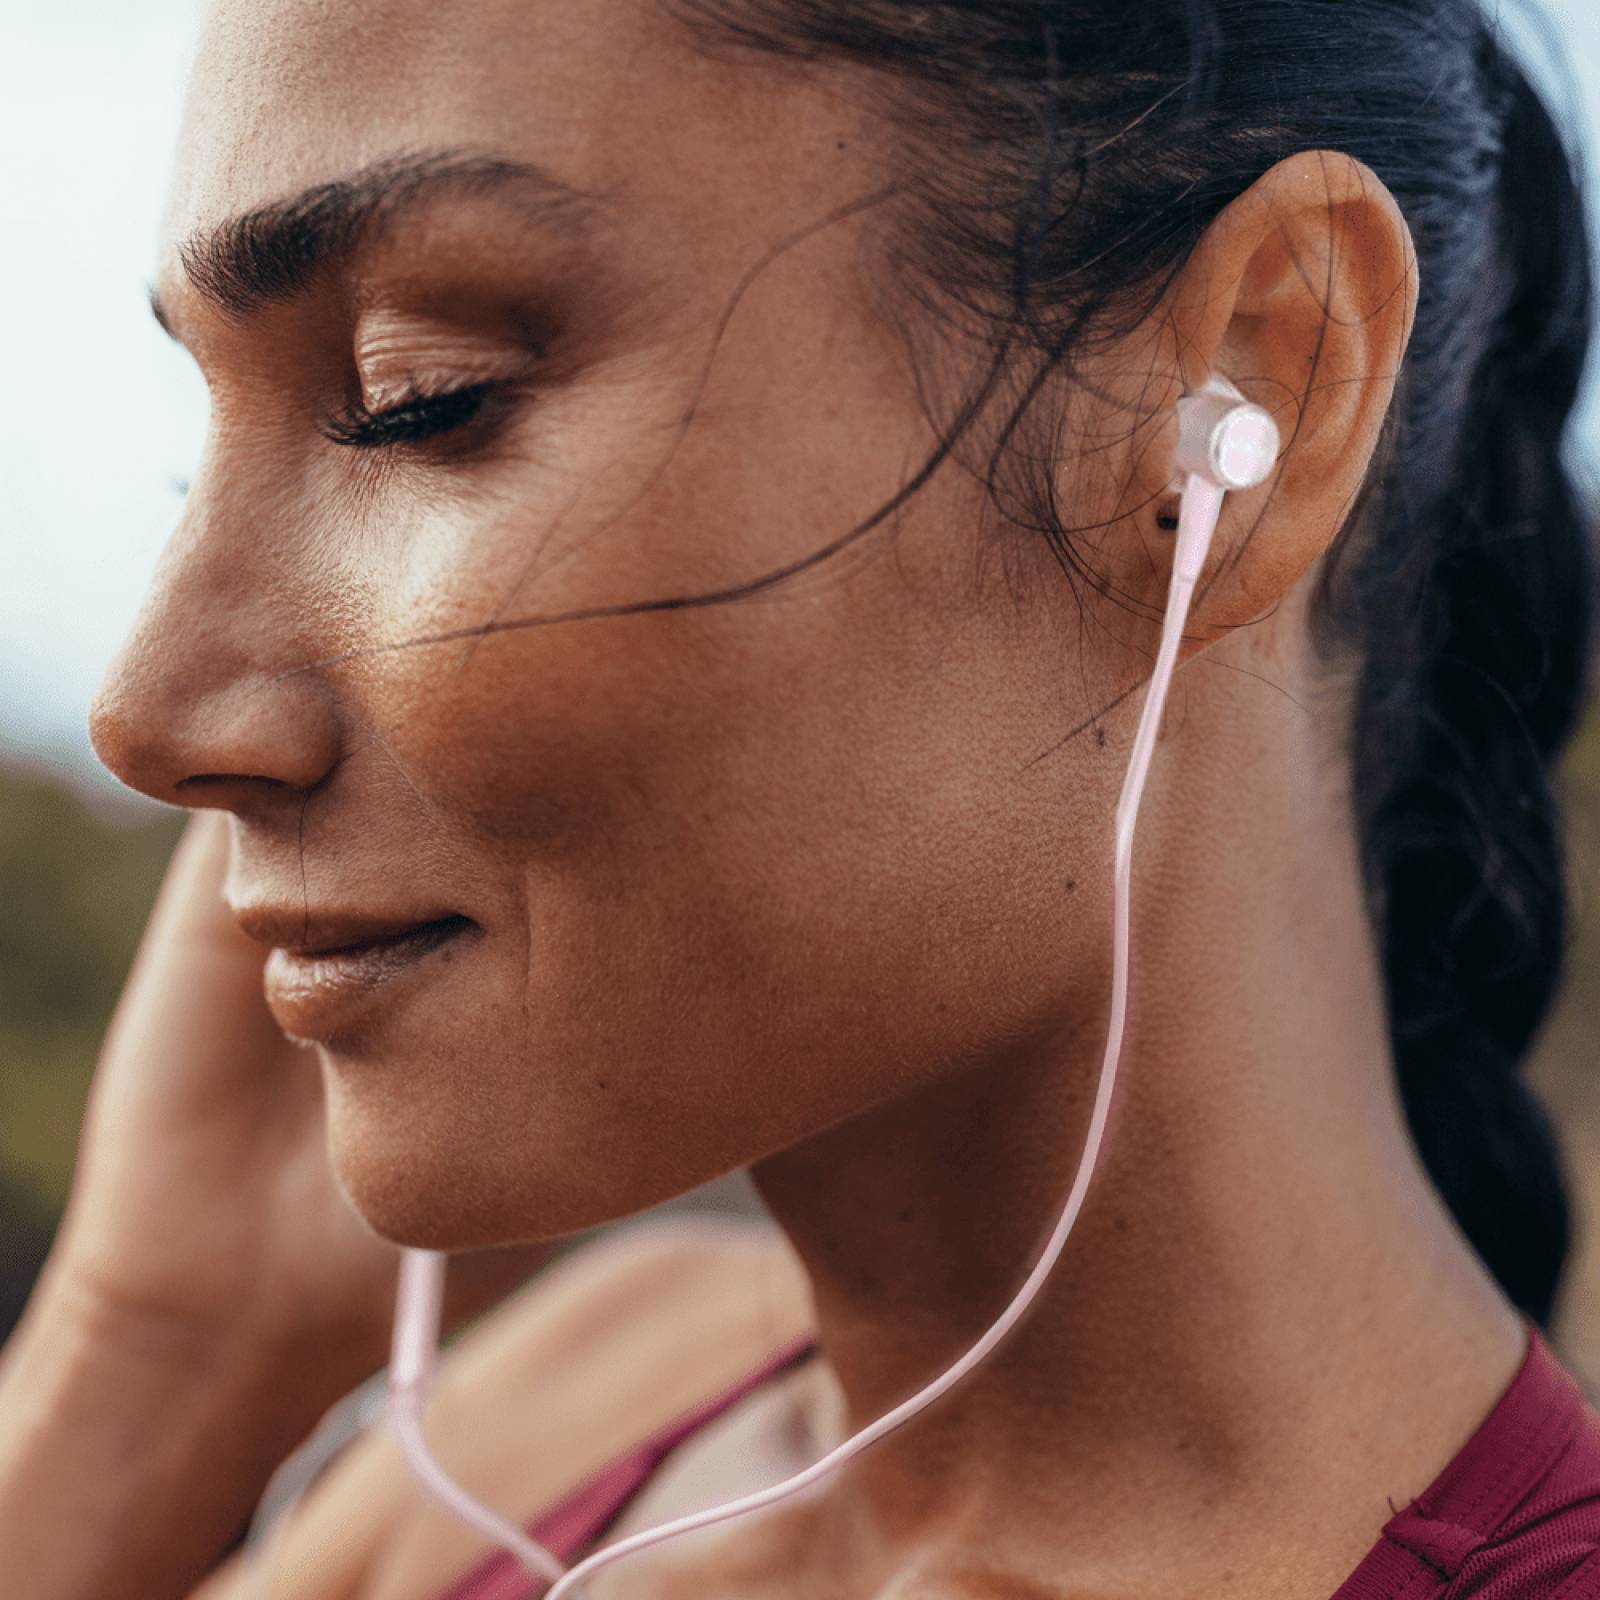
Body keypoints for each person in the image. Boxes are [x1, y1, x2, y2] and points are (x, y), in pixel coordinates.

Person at [3, 0, 1600, 1594]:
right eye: (195, 461)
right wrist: (150, 1354)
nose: (147, 714)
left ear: (1255, 386)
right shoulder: (577, 1417)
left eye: (421, 398)